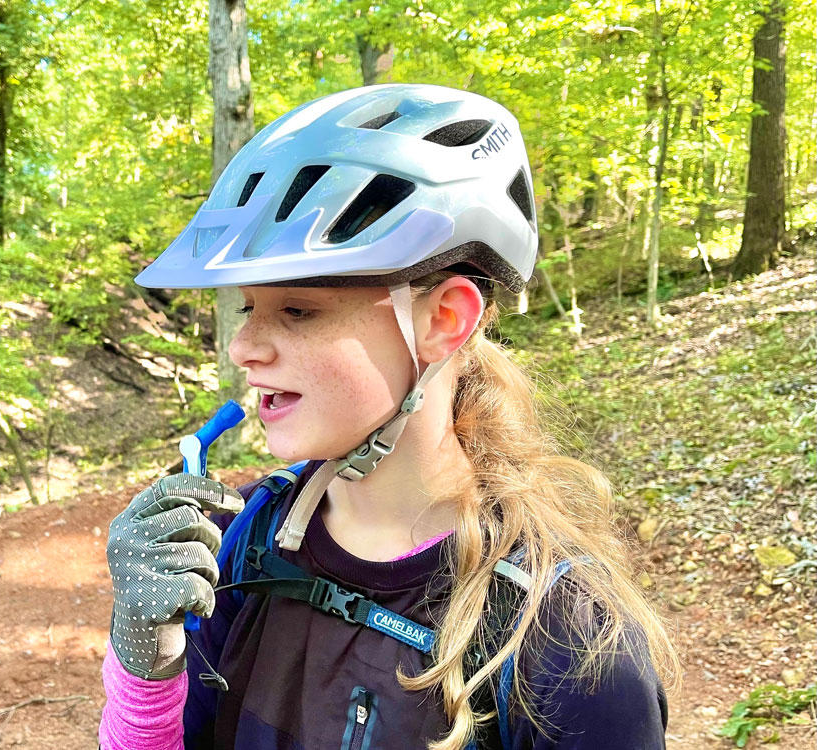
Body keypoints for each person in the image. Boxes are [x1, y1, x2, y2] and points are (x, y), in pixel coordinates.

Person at [98, 83, 680, 750]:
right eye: (248, 307)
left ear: (443, 320)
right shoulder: (255, 535)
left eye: (298, 310)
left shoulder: (566, 644)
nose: (243, 347)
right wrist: (148, 663)